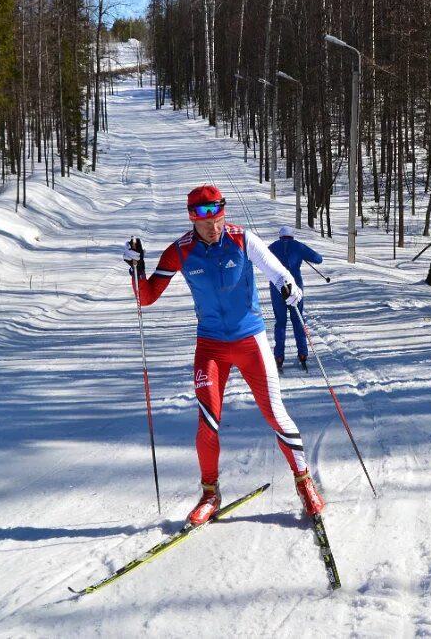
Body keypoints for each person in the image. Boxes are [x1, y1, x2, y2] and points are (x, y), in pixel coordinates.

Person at [122, 185, 325, 525]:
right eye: (204, 220)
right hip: (211, 347)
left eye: (218, 217)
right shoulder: (180, 251)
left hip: (251, 342)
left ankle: (304, 483)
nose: (213, 227)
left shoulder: (242, 239)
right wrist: (136, 270)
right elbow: (146, 298)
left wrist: (289, 286)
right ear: (191, 218)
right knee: (208, 423)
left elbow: (277, 271)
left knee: (276, 415)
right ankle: (210, 493)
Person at [268, 226, 324, 373]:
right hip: (295, 289)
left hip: (277, 289)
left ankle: (279, 356)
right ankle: (303, 354)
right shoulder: (298, 246)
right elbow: (318, 259)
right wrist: (301, 255)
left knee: (280, 322)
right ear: (292, 236)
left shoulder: (273, 247)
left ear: (280, 237)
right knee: (298, 321)